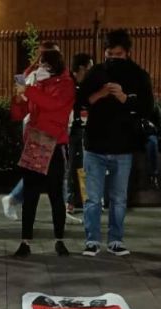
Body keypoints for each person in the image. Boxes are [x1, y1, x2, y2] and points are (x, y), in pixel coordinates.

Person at [78, 29, 154, 257]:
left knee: (119, 198)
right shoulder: (96, 73)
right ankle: (92, 240)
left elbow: (147, 108)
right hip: (95, 145)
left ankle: (116, 240)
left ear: (127, 53)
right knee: (93, 199)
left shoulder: (138, 75)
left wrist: (124, 98)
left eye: (118, 54)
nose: (113, 58)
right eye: (109, 54)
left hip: (123, 146)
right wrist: (100, 94)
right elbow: (81, 101)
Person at [10, 49, 75, 257]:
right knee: (30, 195)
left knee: (56, 195)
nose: (41, 68)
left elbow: (53, 105)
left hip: (54, 144)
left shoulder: (65, 84)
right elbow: (20, 113)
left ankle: (59, 240)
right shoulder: (35, 84)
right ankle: (25, 241)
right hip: (35, 142)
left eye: (45, 65)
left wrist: (29, 91)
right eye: (40, 64)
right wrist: (18, 99)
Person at [1, 40, 60, 221]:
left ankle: (62, 207)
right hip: (38, 130)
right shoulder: (33, 75)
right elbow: (21, 100)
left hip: (54, 129)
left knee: (51, 170)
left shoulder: (57, 76)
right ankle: (13, 198)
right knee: (37, 171)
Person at [65, 53, 94, 222]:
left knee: (83, 165)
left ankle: (84, 199)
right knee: (71, 166)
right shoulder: (68, 83)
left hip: (81, 129)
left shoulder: (84, 85)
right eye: (89, 68)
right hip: (70, 130)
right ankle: (69, 201)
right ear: (82, 68)